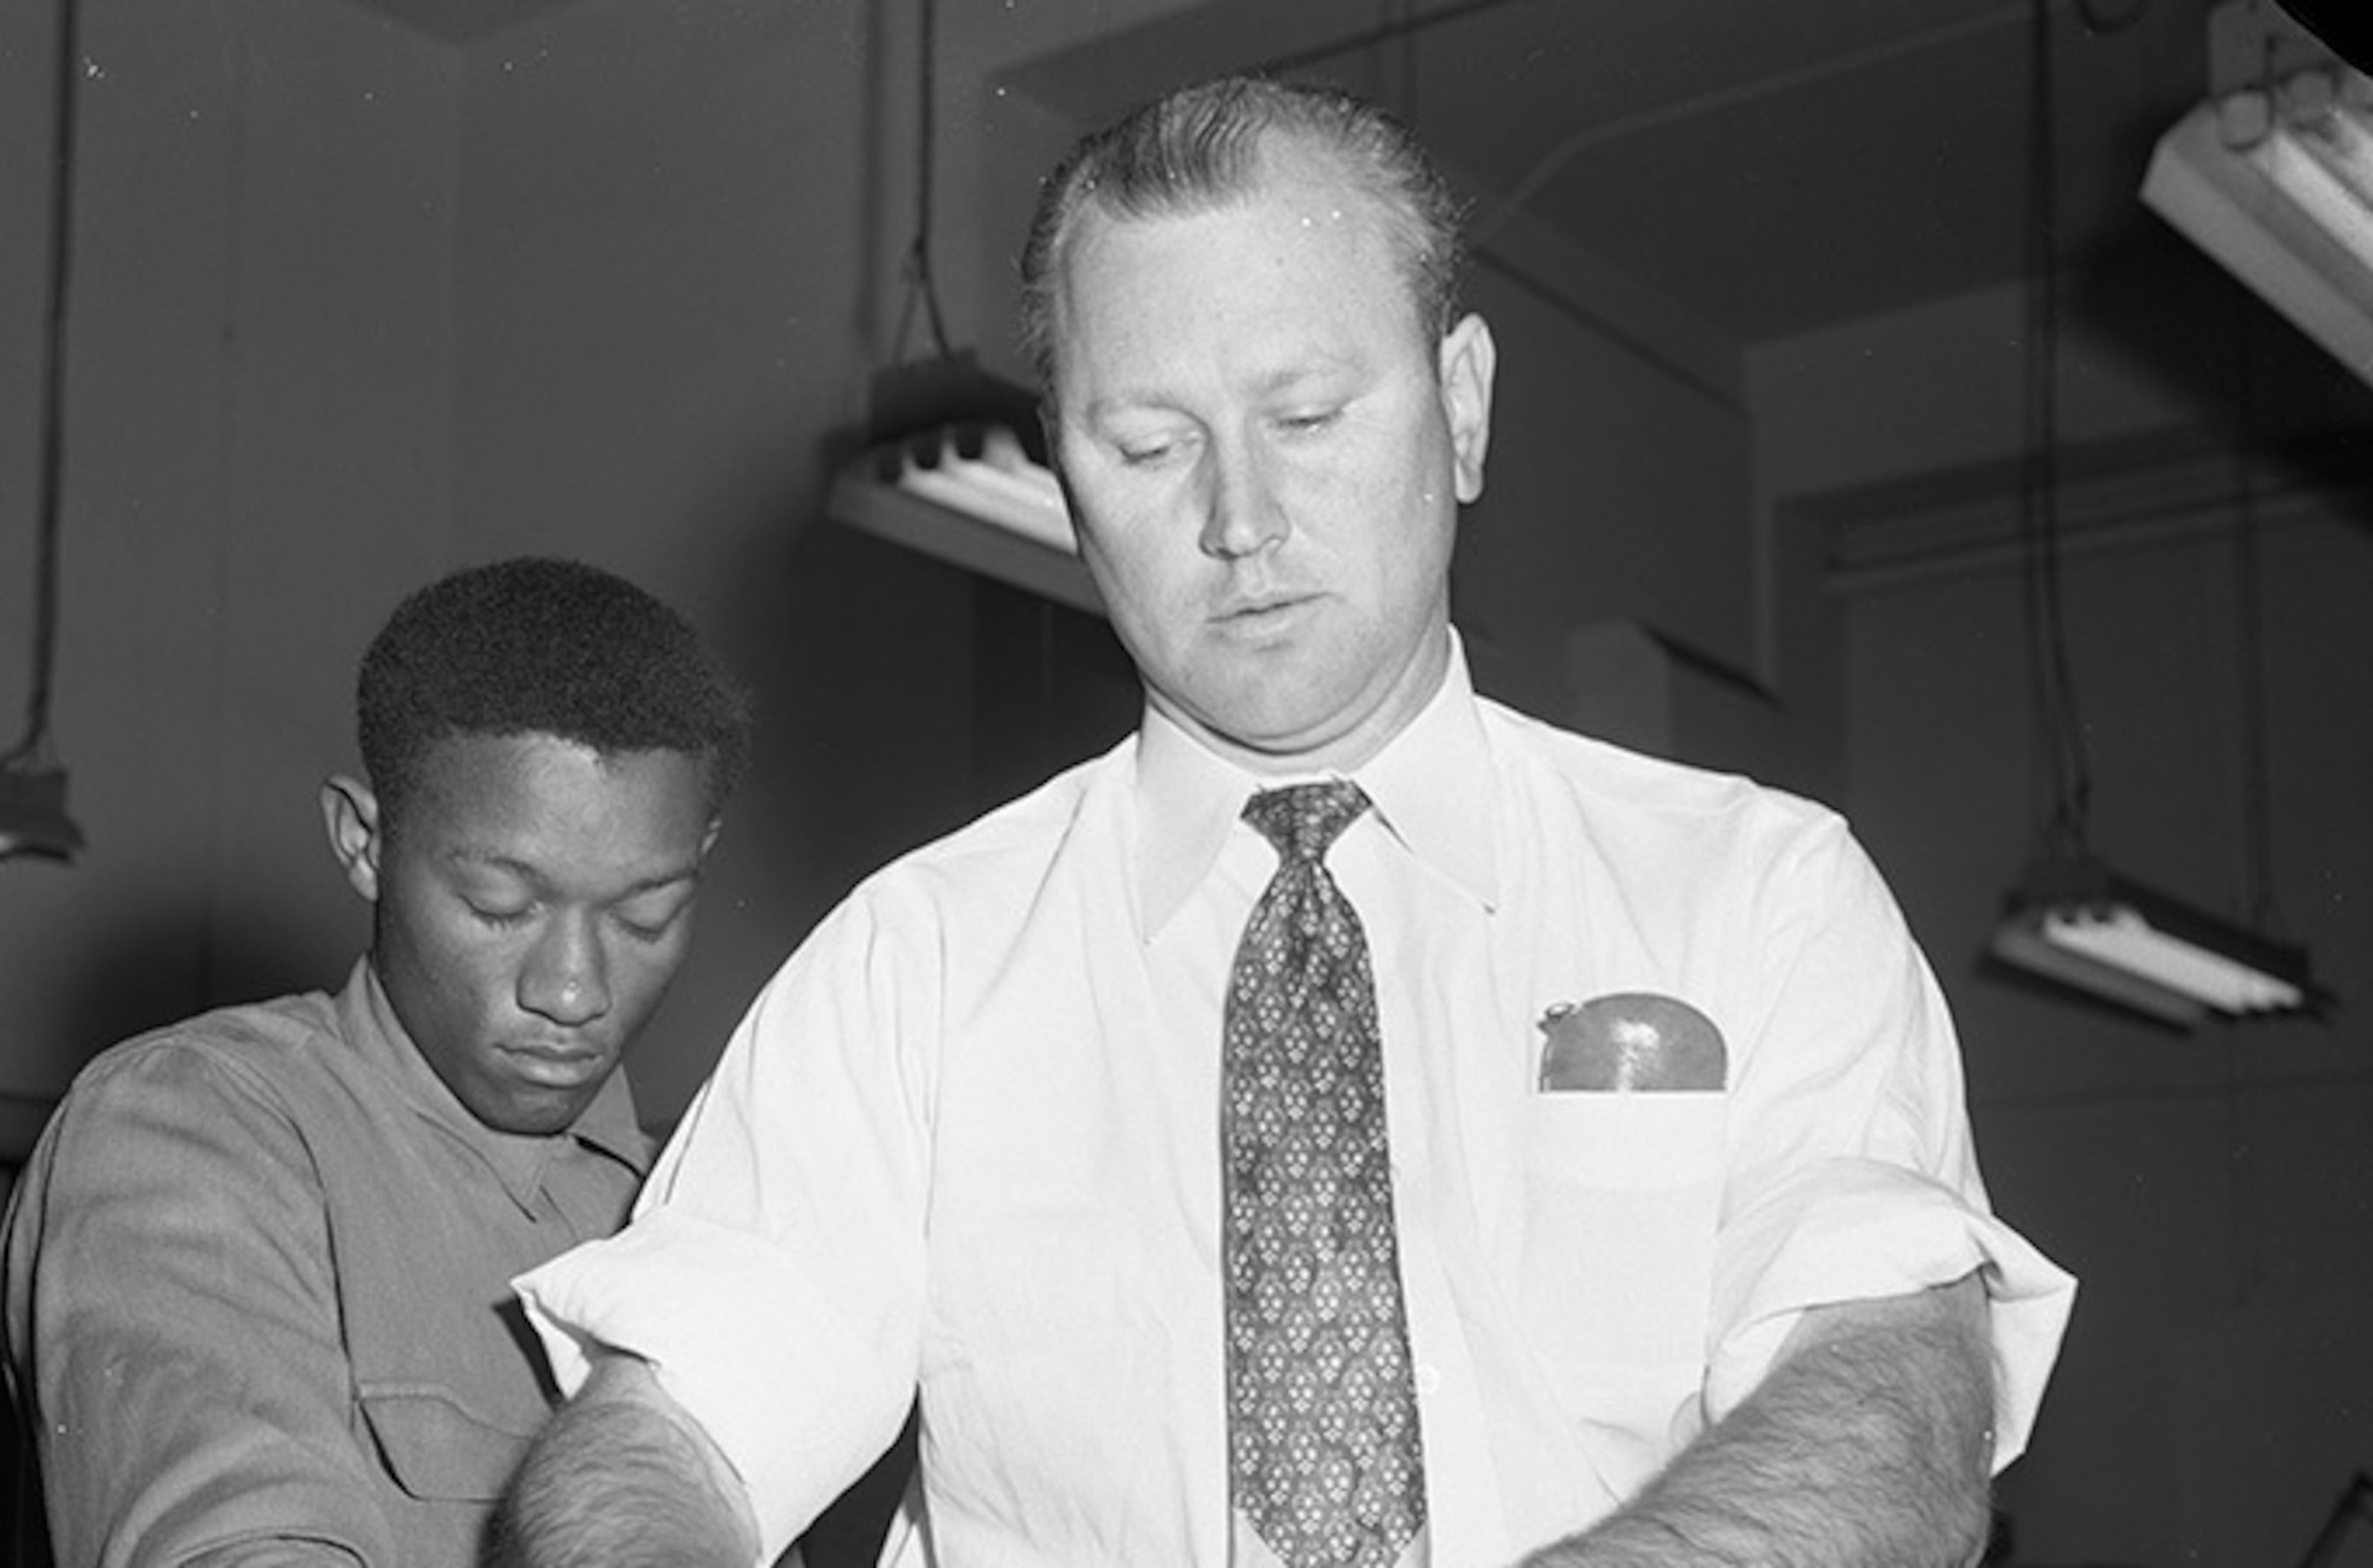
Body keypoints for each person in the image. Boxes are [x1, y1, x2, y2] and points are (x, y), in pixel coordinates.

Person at [497, 76, 2076, 1568]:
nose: (1238, 522)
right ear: (1063, 473)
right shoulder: (916, 965)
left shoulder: (1758, 895)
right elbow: (665, 1438)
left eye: (1306, 416)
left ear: (1460, 410)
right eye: (1148, 444)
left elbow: (1891, 1394)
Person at [1, 556, 750, 1566]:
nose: (573, 991)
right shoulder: (190, 1128)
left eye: (645, 915)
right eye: (499, 906)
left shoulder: (700, 1216)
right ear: (364, 841)